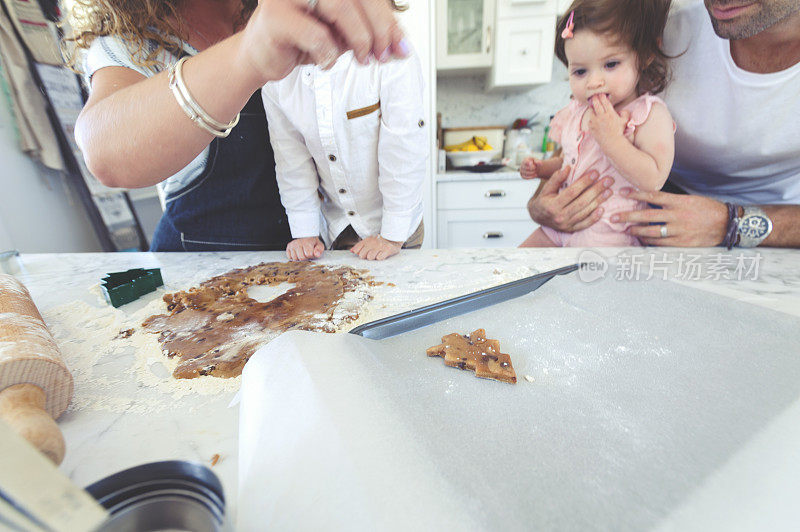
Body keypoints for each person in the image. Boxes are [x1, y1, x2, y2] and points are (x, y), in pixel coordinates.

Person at [66, 0, 409, 251]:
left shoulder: (302, 11)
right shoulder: (131, 42)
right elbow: (105, 153)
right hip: (197, 271)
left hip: (307, 253)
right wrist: (248, 55)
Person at [527, 0, 800, 248]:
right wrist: (544, 203)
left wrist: (733, 223)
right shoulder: (653, 24)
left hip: (782, 225)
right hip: (648, 215)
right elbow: (586, 134)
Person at [262, 7, 427, 262]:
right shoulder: (277, 75)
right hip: (339, 230)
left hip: (399, 225)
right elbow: (291, 160)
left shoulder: (390, 53)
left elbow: (403, 150)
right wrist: (304, 232)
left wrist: (392, 236)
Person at [518, 0, 675, 247]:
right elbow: (571, 160)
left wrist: (612, 139)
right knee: (517, 268)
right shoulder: (578, 111)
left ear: (644, 56)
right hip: (559, 229)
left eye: (610, 65)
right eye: (580, 72)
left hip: (610, 232)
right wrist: (543, 168)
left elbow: (653, 179)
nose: (594, 82)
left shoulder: (648, 114)